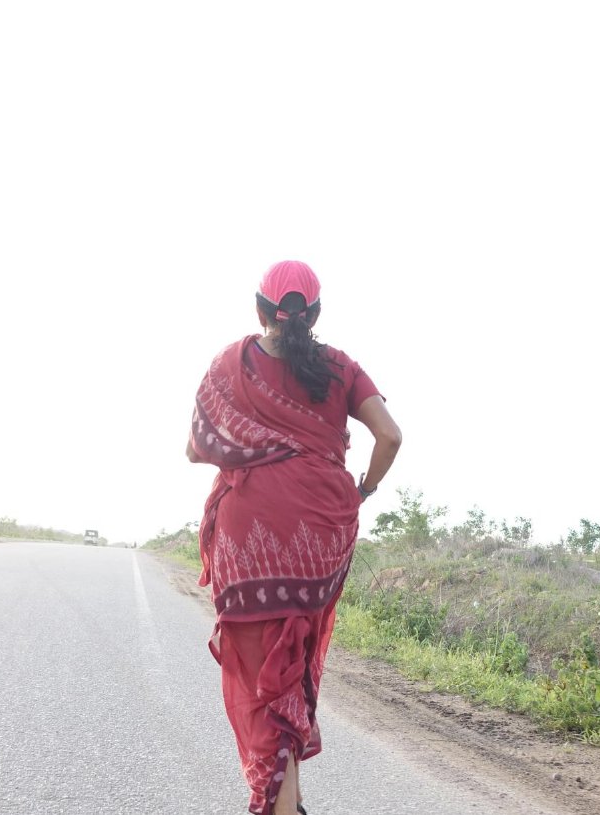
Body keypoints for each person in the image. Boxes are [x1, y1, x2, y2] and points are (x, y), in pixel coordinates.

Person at [186, 260, 402, 815]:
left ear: (260, 309)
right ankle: (292, 800)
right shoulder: (341, 368)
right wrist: (364, 490)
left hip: (249, 538)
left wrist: (247, 441)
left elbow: (195, 447)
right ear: (317, 314)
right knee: (294, 664)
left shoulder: (231, 364)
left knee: (265, 675)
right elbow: (390, 436)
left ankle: (278, 806)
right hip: (320, 538)